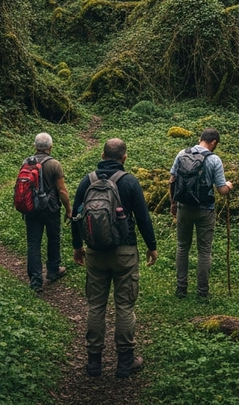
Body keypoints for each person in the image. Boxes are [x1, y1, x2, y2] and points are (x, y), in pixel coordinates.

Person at [72, 138, 158, 379]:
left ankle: (93, 362)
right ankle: (125, 362)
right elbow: (143, 217)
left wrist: (78, 247)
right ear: (124, 157)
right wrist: (152, 247)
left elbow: (76, 216)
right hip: (125, 253)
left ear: (102, 155)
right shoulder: (129, 181)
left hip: (95, 253)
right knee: (125, 306)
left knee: (96, 306)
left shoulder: (87, 181)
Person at [169, 127, 233, 300]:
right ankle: (202, 292)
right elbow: (221, 190)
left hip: (183, 207)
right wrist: (229, 186)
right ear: (214, 142)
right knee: (204, 251)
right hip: (205, 210)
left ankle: (181, 289)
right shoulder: (214, 159)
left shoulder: (182, 153)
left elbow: (172, 180)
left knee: (182, 247)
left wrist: (173, 203)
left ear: (200, 139)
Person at [24, 132, 72, 293]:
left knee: (33, 243)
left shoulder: (26, 162)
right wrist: (68, 209)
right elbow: (62, 190)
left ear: (35, 146)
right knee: (53, 238)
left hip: (31, 208)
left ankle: (35, 280)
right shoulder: (54, 164)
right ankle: (53, 270)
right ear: (50, 147)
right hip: (50, 208)